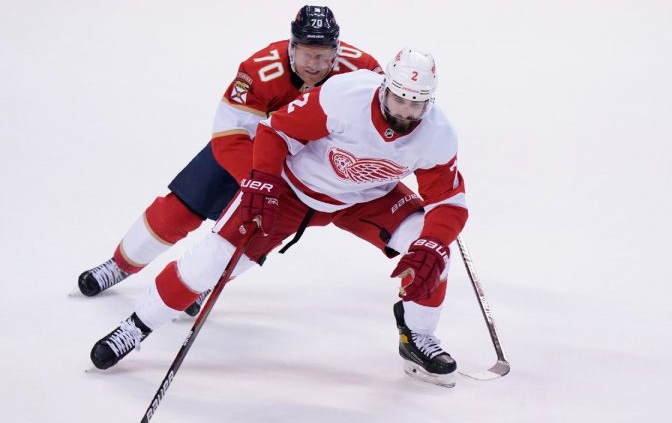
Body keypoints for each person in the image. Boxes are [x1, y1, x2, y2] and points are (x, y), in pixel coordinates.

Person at [89, 48, 469, 388]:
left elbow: (449, 201)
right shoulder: (345, 96)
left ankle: (417, 337)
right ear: (385, 86)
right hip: (292, 190)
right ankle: (135, 327)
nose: (404, 112)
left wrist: (432, 241)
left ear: (430, 102)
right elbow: (275, 132)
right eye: (398, 98)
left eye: (415, 105)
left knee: (433, 254)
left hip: (366, 196)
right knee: (210, 261)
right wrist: (264, 182)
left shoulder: (439, 135)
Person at [77, 5, 382, 316]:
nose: (315, 65)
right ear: (292, 47)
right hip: (246, 153)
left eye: (324, 55)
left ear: (337, 50)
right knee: (178, 210)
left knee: (252, 234)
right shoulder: (261, 70)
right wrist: (257, 181)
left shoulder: (364, 72)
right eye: (307, 54)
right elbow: (229, 134)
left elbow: (383, 127)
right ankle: (119, 265)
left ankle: (205, 282)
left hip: (306, 170)